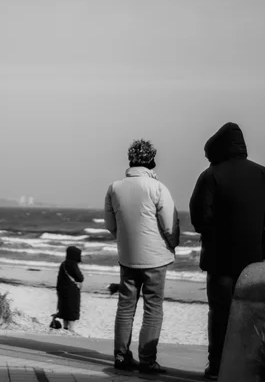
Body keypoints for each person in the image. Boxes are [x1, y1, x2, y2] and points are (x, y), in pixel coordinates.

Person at [189, 122, 265, 380]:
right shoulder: (263, 174)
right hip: (254, 262)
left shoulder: (211, 175)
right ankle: (248, 367)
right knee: (252, 315)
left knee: (219, 314)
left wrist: (214, 233)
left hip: (219, 260)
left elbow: (199, 217)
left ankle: (217, 366)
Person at [104, 139, 180, 375]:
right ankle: (147, 361)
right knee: (153, 308)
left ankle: (121, 356)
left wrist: (125, 240)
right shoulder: (158, 188)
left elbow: (110, 225)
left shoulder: (114, 187)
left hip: (127, 257)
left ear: (130, 161)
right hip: (155, 259)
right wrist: (172, 244)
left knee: (125, 307)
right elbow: (169, 226)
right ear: (152, 161)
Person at [55, 245, 84, 331]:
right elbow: (80, 277)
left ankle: (65, 328)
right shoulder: (73, 264)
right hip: (72, 291)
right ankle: (71, 329)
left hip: (62, 290)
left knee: (64, 309)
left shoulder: (63, 264)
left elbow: (59, 278)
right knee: (72, 310)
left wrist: (58, 290)